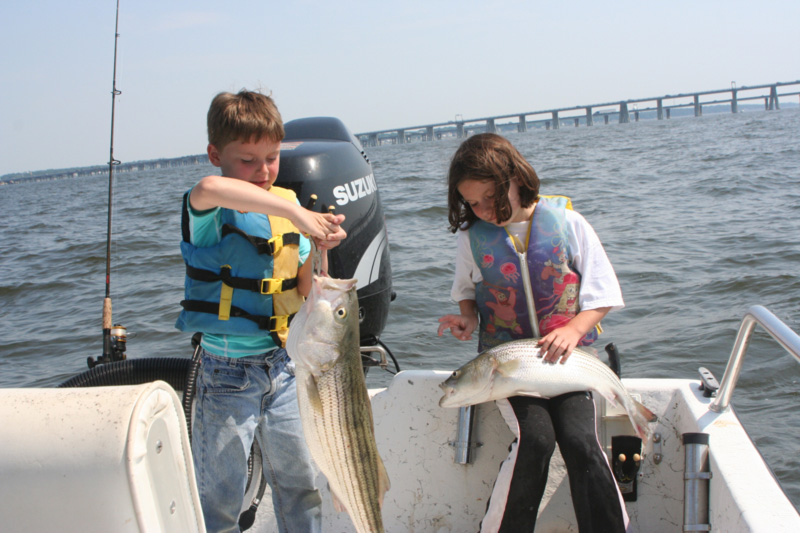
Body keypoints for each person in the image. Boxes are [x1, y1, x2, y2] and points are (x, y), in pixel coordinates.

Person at [437, 133, 627, 532]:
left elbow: (602, 292)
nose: (483, 210)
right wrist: (467, 319)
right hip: (512, 368)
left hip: (570, 363)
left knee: (580, 441)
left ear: (517, 178)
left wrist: (575, 330)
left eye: (490, 197)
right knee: (535, 440)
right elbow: (467, 294)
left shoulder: (568, 223)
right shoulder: (471, 239)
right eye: (472, 203)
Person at [175, 89, 346, 533]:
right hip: (227, 373)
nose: (264, 171)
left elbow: (308, 293)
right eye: (248, 160)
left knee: (301, 483)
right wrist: (295, 210)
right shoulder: (210, 209)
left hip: (286, 369)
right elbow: (210, 189)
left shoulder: (289, 213)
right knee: (221, 496)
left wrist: (322, 249)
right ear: (216, 154)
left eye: (271, 158)